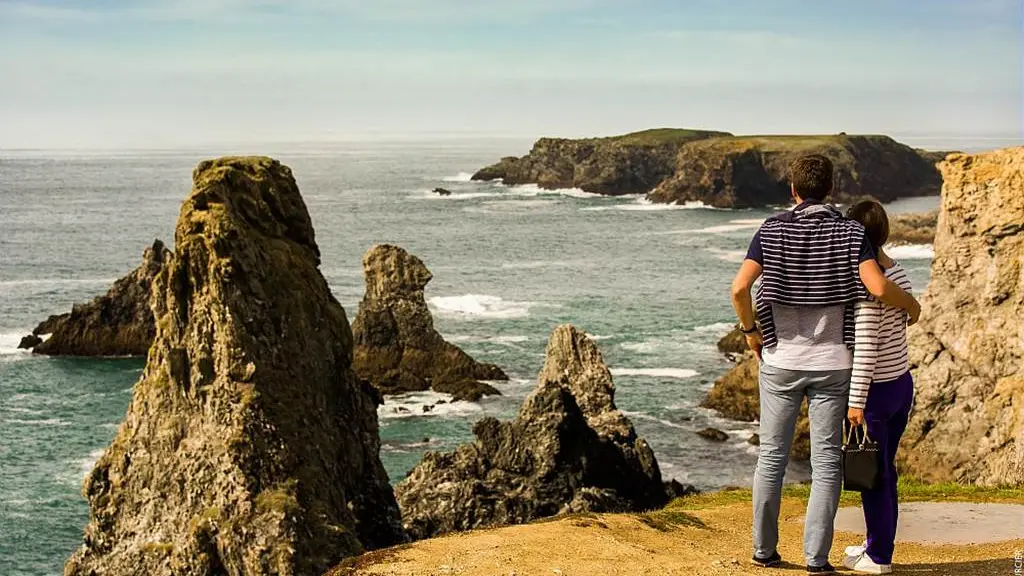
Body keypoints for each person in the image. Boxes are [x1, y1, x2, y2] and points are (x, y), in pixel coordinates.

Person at [730, 154, 920, 575]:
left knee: (771, 459)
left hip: (780, 362)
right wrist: (909, 304)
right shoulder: (850, 231)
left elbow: (740, 287)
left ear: (793, 190)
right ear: (831, 190)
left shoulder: (772, 228)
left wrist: (750, 332)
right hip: (834, 363)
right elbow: (875, 285)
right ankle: (817, 559)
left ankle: (764, 551)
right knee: (827, 463)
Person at [841, 200, 915, 575]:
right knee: (885, 469)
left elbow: (866, 349)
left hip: (876, 394)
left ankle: (880, 558)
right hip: (901, 384)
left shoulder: (868, 291)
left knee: (873, 475)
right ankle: (877, 544)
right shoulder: (898, 274)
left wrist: (855, 404)